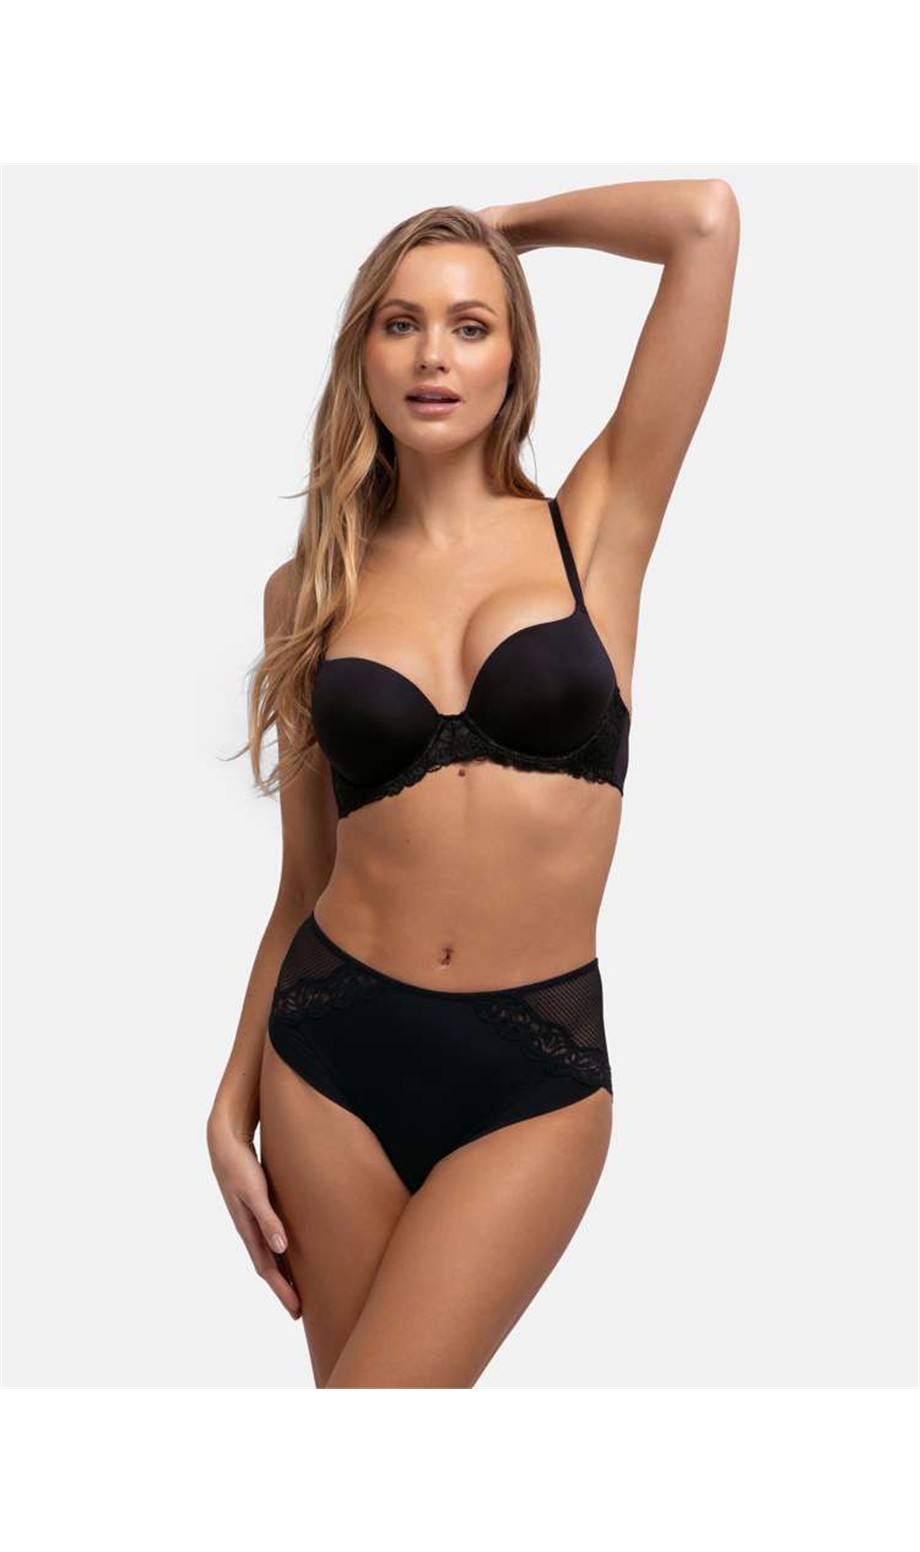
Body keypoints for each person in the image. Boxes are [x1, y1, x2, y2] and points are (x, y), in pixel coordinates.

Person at [207, 181, 740, 1387]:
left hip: (532, 1078)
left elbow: (703, 222)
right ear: (361, 355)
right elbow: (303, 879)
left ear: (514, 356)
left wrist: (507, 229)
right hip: (327, 1056)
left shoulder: (592, 528)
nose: (432, 355)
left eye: (469, 323)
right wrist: (230, 1103)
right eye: (399, 323)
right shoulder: (308, 591)